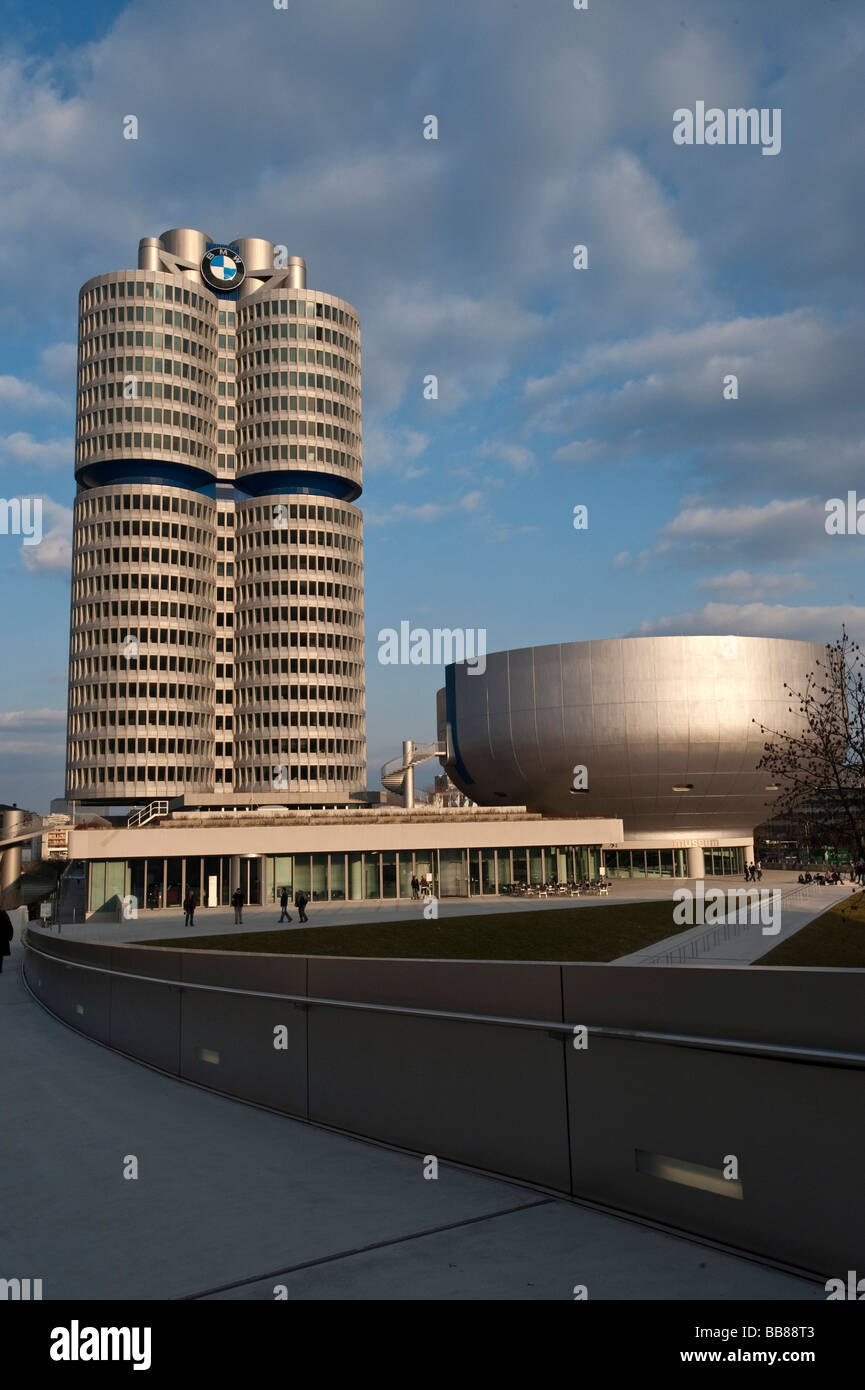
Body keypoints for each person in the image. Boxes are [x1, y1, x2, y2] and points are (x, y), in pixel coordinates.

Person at [0, 908, 12, 974]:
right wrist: (9, 937)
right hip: (2, 939)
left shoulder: (4, 915)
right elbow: (9, 926)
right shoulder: (4, 914)